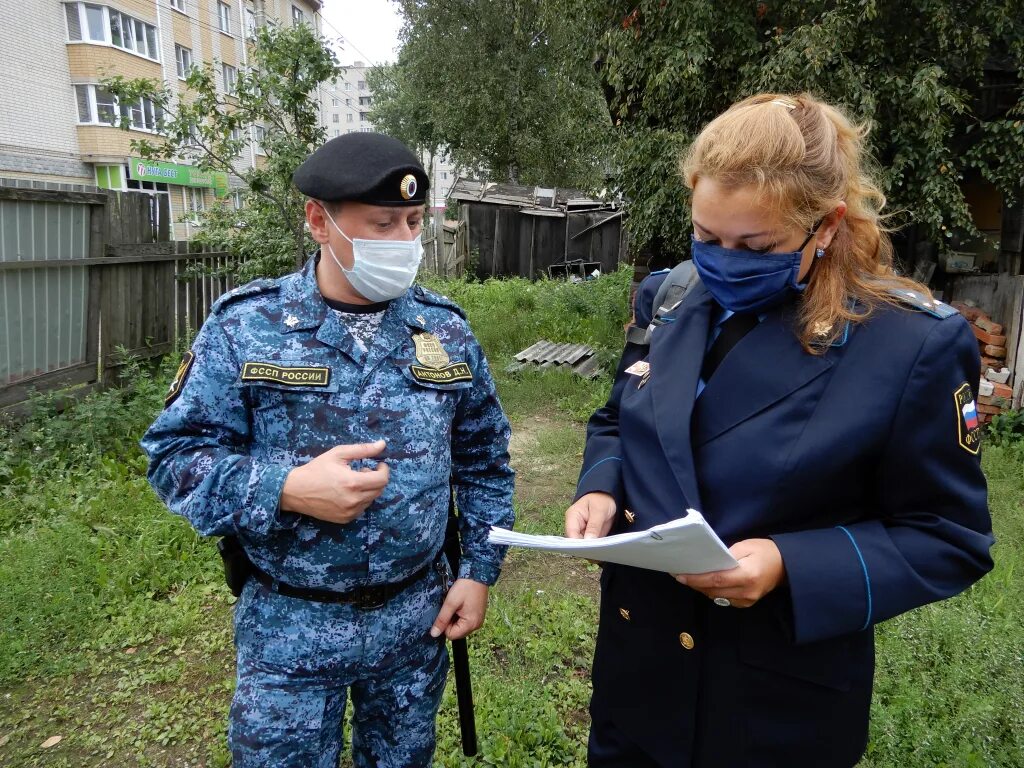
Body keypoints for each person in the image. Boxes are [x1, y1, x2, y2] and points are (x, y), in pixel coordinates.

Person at [564, 93, 994, 768]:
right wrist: (600, 484)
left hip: (770, 707)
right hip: (637, 682)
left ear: (825, 226)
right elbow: (622, 417)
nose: (722, 261)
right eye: (706, 238)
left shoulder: (909, 346)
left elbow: (948, 537)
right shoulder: (672, 297)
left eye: (753, 245)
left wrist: (790, 565)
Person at [142, 132, 515, 767]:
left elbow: (484, 460)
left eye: (414, 222)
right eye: (382, 224)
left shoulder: (445, 330)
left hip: (414, 621)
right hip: (289, 628)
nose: (403, 241)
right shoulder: (245, 326)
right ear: (320, 221)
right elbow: (175, 455)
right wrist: (286, 488)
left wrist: (479, 571)